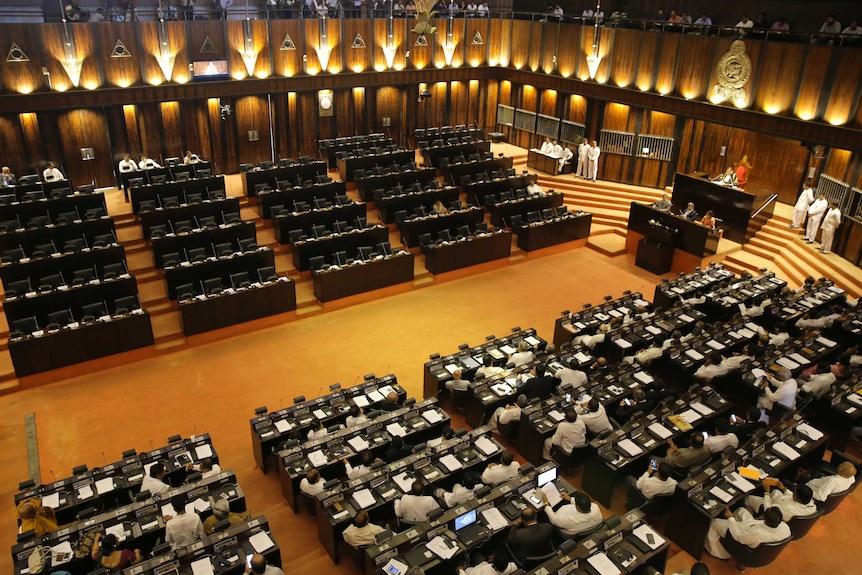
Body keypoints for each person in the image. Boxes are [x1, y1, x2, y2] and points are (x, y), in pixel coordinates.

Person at [705, 506, 789, 560]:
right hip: (751, 528)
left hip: (740, 537)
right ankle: (727, 519)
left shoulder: (757, 534)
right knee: (741, 510)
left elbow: (736, 535)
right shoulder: (785, 528)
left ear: (765, 518)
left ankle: (713, 551)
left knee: (714, 522)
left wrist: (731, 518)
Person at [745, 481, 816, 521]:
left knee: (748, 498)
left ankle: (752, 519)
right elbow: (793, 496)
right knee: (776, 491)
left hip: (771, 513)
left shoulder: (788, 509)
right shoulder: (811, 503)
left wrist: (767, 492)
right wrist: (784, 489)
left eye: (795, 492)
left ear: (798, 498)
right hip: (780, 504)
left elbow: (769, 510)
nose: (793, 492)